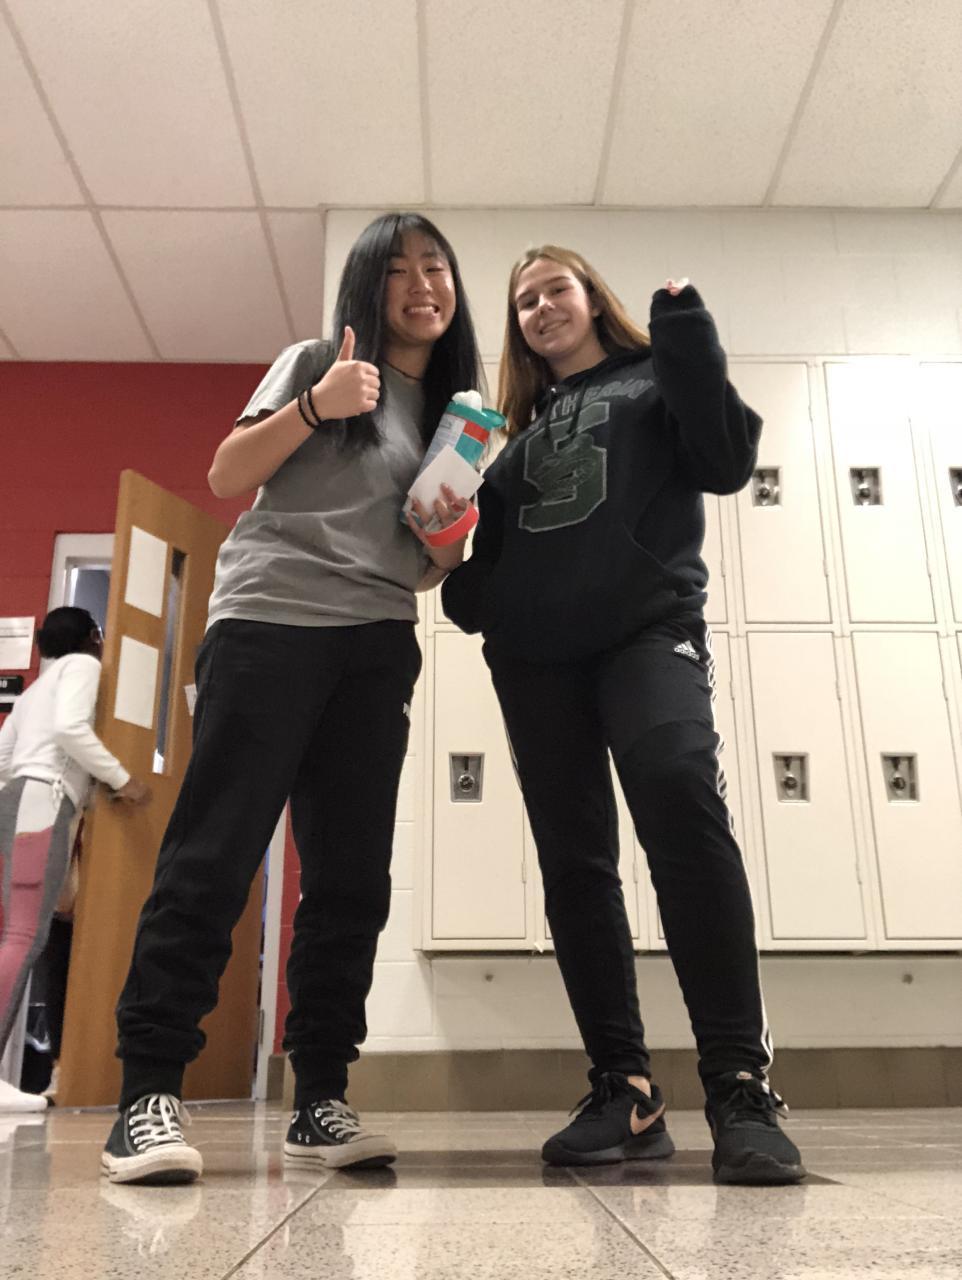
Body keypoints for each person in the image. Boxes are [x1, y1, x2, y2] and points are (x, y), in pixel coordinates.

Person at [102, 212, 481, 1185]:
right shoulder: (318, 360)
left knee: (351, 877)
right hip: (269, 623)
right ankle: (147, 1094)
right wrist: (316, 403)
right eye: (398, 269)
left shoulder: (454, 416)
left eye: (436, 267)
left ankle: (320, 1097)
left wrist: (448, 536)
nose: (421, 285)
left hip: (375, 643)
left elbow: (425, 566)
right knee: (215, 853)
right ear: (368, 284)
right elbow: (227, 473)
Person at [441, 246, 806, 1186]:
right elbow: (476, 571)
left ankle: (739, 1083)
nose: (539, 307)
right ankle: (624, 1088)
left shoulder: (654, 378)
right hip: (536, 661)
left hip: (646, 631)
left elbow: (724, 461)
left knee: (679, 794)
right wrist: (464, 571)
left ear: (593, 298)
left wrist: (688, 340)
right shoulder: (512, 436)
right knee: (575, 862)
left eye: (554, 289)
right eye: (524, 301)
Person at [0, 608, 149, 1113]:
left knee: (18, 934)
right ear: (93, 638)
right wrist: (122, 779)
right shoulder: (83, 666)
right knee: (24, 938)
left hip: (18, 800)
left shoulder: (34, 688)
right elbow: (70, 729)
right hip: (44, 800)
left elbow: (3, 758)